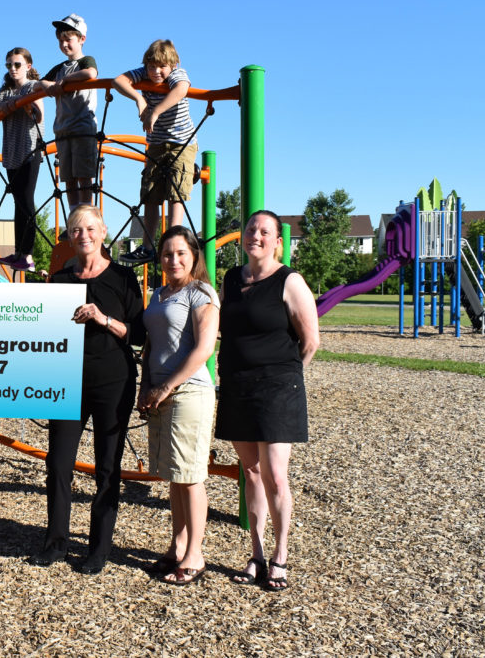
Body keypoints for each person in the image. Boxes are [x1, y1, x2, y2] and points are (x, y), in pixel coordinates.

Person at [27, 205, 142, 574]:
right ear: (69, 237)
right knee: (58, 462)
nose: (84, 236)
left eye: (90, 229)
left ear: (104, 232)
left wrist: (103, 318)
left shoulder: (123, 279)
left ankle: (98, 548)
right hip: (67, 381)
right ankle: (55, 542)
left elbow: (138, 334)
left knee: (107, 465)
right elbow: (42, 333)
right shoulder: (60, 281)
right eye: (76, 230)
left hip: (113, 380)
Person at [215, 210, 320, 591]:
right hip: (238, 386)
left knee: (276, 474)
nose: (255, 236)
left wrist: (287, 375)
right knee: (252, 472)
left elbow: (310, 341)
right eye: (250, 229)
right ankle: (256, 553)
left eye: (264, 232)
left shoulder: (289, 281)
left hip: (277, 387)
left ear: (277, 242)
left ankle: (280, 555)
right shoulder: (230, 279)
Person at [137, 226, 220, 585]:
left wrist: (168, 386)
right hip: (160, 390)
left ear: (193, 257)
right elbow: (150, 348)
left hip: (188, 391)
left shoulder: (200, 293)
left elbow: (204, 348)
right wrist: (146, 386)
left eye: (181, 253)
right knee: (174, 474)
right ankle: (178, 545)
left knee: (190, 475)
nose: (174, 260)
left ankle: (195, 555)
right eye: (168, 254)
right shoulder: (158, 295)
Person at [114, 40, 197, 266]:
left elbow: (182, 89)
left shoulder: (177, 74)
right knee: (150, 192)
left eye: (162, 66)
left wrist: (155, 112)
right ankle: (148, 246)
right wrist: (139, 98)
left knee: (175, 191)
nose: (156, 71)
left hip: (182, 143)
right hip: (156, 144)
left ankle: (173, 243)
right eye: (152, 66)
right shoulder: (144, 74)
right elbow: (118, 81)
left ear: (173, 65)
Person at [0, 47, 45, 273]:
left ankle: (27, 254)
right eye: (9, 65)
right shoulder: (5, 91)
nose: (12, 69)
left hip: (29, 150)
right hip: (12, 152)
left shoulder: (32, 86)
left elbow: (39, 113)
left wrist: (24, 104)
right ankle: (19, 252)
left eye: (17, 64)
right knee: (18, 202)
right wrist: (1, 108)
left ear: (28, 66)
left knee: (26, 200)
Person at [39, 14, 98, 210]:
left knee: (84, 174)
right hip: (63, 128)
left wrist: (64, 81)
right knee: (68, 177)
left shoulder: (85, 61)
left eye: (68, 40)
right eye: (60, 40)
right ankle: (73, 215)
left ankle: (85, 212)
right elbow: (41, 82)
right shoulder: (59, 68)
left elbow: (91, 74)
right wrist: (50, 85)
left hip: (83, 127)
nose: (64, 44)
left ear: (82, 39)